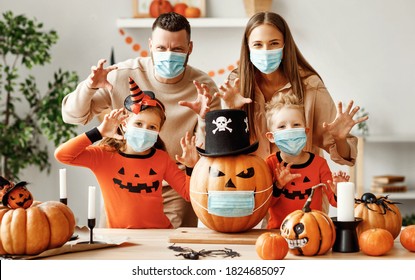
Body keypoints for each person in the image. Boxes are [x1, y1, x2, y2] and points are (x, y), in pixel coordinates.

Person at [61, 12, 220, 228]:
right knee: (117, 247)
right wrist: (89, 86)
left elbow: (209, 147)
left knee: (169, 252)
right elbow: (73, 115)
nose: (168, 55)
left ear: (189, 48)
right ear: (150, 44)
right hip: (123, 180)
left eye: (177, 49)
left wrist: (204, 118)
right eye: (161, 48)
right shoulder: (122, 75)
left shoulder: (203, 86)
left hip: (175, 180)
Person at [215, 12, 368, 167]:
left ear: (285, 45)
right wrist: (231, 111)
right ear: (248, 47)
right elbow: (227, 148)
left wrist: (340, 139)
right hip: (253, 182)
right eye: (258, 44)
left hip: (301, 183)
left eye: (274, 43)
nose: (266, 51)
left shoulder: (310, 86)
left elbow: (344, 157)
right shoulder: (237, 84)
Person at [55, 79, 199, 229]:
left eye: (152, 127)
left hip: (158, 234)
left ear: (158, 131)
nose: (144, 130)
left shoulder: (161, 158)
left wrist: (190, 167)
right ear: (124, 124)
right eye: (138, 124)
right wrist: (98, 132)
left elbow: (188, 194)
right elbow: (63, 155)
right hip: (119, 237)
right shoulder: (104, 156)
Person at [264, 93, 349, 229]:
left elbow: (335, 202)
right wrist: (279, 185)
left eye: (296, 124)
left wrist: (340, 191)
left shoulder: (319, 164)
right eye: (282, 127)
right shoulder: (270, 164)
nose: (290, 130)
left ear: (306, 131)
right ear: (271, 136)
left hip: (313, 232)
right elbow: (265, 204)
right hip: (278, 233)